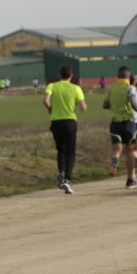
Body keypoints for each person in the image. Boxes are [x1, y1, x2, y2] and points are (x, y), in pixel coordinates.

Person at [43, 64, 87, 194]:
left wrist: (51, 109)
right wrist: (80, 104)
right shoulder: (76, 88)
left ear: (59, 75)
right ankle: (67, 180)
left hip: (56, 121)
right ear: (71, 76)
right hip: (70, 121)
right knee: (70, 151)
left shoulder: (52, 86)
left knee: (60, 150)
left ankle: (61, 174)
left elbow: (45, 100)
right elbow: (83, 107)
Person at [102, 66, 137, 188]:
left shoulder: (111, 88)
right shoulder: (129, 88)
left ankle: (115, 159)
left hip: (115, 123)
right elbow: (132, 101)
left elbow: (105, 105)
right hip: (128, 123)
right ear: (128, 77)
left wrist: (115, 106)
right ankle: (130, 179)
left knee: (117, 150)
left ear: (118, 77)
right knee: (130, 151)